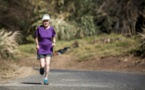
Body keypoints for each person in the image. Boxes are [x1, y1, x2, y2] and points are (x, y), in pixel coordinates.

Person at [35, 14, 56, 85]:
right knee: (43, 64)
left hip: (49, 49)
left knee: (48, 64)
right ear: (42, 21)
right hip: (41, 49)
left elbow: (53, 37)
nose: (45, 22)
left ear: (49, 21)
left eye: (47, 20)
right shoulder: (39, 28)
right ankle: (41, 68)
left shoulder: (52, 29)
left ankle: (46, 78)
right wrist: (37, 45)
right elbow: (36, 37)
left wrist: (53, 43)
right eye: (44, 21)